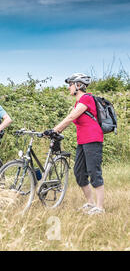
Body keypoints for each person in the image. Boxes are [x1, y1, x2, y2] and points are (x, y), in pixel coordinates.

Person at [53, 73, 105, 215]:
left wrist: (55, 129)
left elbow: (71, 117)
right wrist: (56, 131)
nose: (68, 87)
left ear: (79, 85)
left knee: (94, 172)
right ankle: (90, 203)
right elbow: (69, 119)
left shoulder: (86, 99)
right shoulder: (77, 103)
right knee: (79, 172)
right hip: (82, 142)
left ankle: (100, 208)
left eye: (70, 84)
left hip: (93, 140)